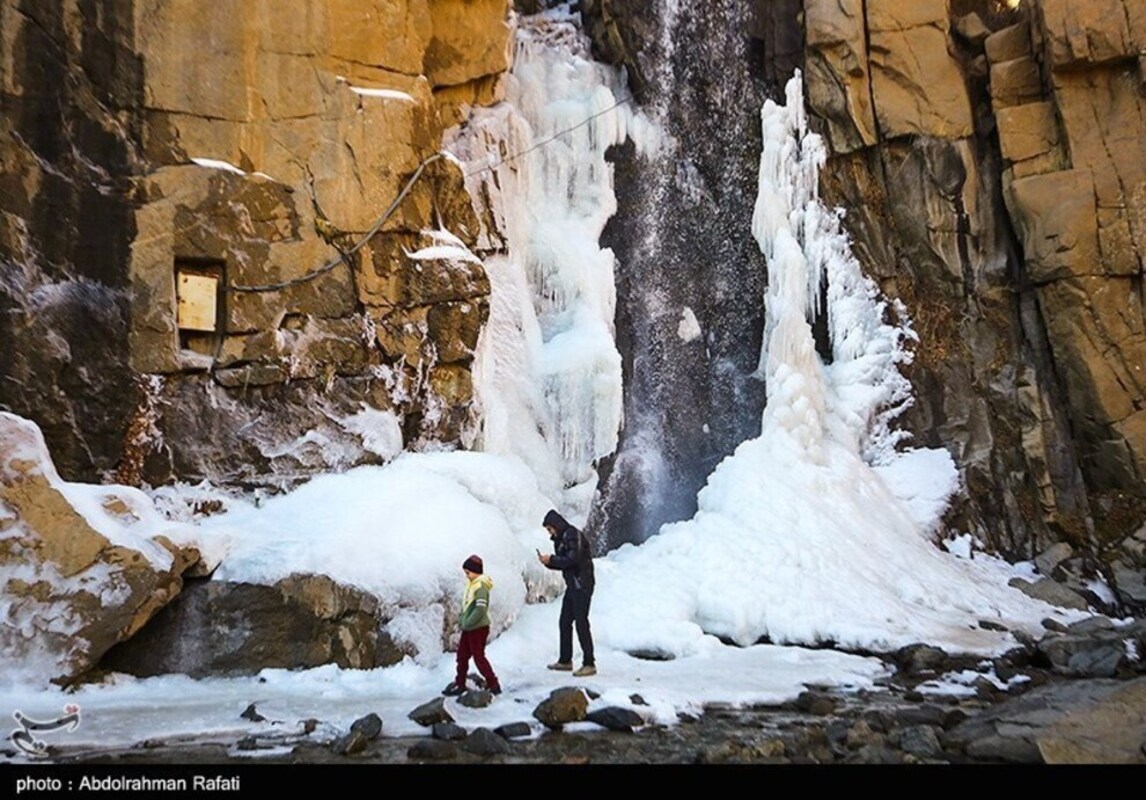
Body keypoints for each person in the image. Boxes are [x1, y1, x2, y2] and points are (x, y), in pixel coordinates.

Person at [537, 509, 596, 677]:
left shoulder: (572, 534)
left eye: (550, 529)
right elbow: (564, 563)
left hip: (582, 584)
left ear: (556, 525)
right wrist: (548, 563)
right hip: (573, 586)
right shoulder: (561, 537)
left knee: (581, 623)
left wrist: (552, 560)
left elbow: (573, 559)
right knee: (565, 622)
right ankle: (565, 660)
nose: (549, 533)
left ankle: (589, 663)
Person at [443, 554, 501, 696]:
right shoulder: (472, 585)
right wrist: (464, 620)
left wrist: (468, 622)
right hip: (469, 628)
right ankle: (460, 683)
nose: (466, 576)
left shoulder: (481, 587)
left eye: (468, 572)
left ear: (475, 571)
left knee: (478, 657)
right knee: (462, 656)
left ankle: (493, 684)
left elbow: (481, 608)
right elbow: (469, 606)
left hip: (478, 628)